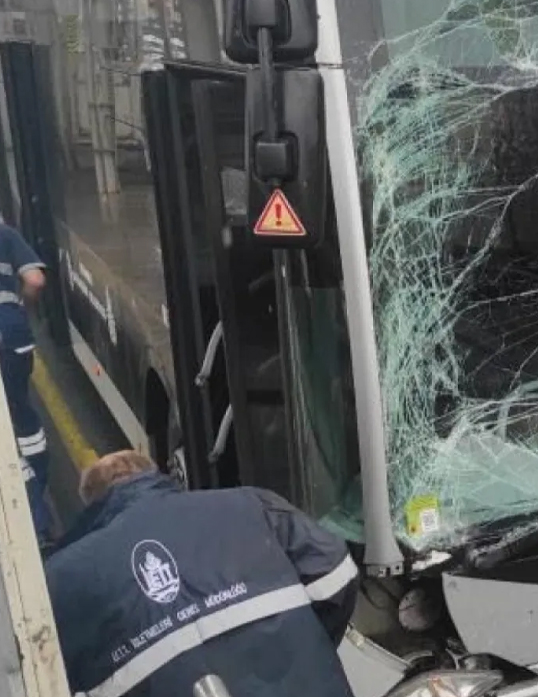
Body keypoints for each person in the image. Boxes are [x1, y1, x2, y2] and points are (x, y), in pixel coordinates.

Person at [45, 450, 359, 697]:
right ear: (153, 474)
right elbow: (336, 572)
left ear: (91, 503)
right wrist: (308, 643)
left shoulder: (60, 579)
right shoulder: (248, 504)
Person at [0, 221, 51, 548]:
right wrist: (23, 307)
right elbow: (35, 279)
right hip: (12, 337)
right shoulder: (3, 232)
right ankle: (37, 513)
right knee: (21, 416)